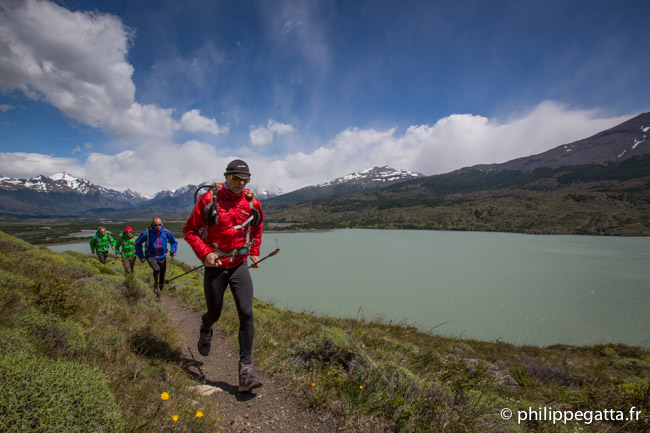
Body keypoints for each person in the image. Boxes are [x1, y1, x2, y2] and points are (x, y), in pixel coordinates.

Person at [183, 159, 264, 392]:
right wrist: (206, 253)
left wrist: (255, 252)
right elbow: (189, 231)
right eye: (236, 178)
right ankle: (206, 327)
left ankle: (246, 369)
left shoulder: (252, 203)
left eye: (245, 179)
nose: (240, 183)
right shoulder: (209, 199)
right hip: (215, 265)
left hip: (238, 264)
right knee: (215, 312)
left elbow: (257, 226)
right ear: (226, 177)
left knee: (247, 313)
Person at [135, 217, 178, 300]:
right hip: (151, 256)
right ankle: (155, 285)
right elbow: (137, 244)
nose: (158, 227)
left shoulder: (166, 232)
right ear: (152, 224)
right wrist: (141, 256)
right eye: (156, 225)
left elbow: (174, 243)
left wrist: (173, 250)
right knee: (157, 269)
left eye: (159, 225)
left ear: (162, 224)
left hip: (162, 256)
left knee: (162, 276)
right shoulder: (147, 233)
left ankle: (159, 294)